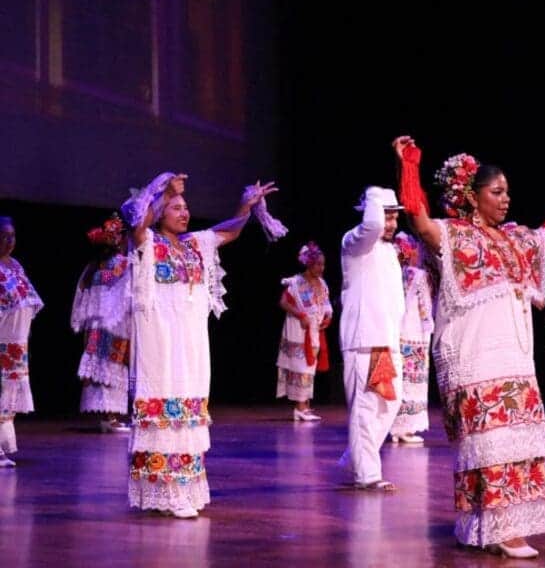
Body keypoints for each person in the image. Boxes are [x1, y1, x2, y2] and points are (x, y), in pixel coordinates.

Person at [394, 134, 545, 558]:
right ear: (471, 195)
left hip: (513, 359)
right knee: (486, 443)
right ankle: (500, 530)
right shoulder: (452, 236)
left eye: (507, 192)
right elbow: (421, 222)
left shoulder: (516, 240)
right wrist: (407, 168)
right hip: (472, 357)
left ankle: (483, 528)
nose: (505, 200)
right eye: (496, 192)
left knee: (513, 442)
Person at [122, 172, 278, 518]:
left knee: (189, 408)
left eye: (186, 207)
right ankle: (164, 492)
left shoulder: (195, 244)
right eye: (175, 208)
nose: (184, 212)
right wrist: (163, 190)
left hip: (191, 342)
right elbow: (136, 227)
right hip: (159, 342)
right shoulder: (147, 242)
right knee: (163, 405)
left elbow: (230, 231)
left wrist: (246, 205)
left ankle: (184, 488)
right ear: (160, 212)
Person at [338, 186, 405, 491]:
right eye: (386, 215)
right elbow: (373, 226)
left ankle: (355, 459)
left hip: (386, 340)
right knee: (366, 407)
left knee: (388, 404)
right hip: (364, 339)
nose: (390, 223)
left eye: (395, 217)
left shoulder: (388, 251)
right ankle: (366, 473)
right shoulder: (354, 243)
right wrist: (374, 196)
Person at [71, 213, 132, 432]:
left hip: (97, 323)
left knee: (104, 367)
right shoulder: (121, 265)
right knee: (111, 367)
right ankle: (110, 417)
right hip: (113, 323)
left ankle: (108, 417)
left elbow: (83, 297)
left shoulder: (95, 267)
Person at [0, 216, 44, 468]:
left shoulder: (15, 266)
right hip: (2, 340)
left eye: (12, 236)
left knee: (9, 396)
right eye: (4, 236)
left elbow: (27, 300)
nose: (9, 241)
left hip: (17, 343)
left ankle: (2, 447)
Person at [277, 242, 332, 421]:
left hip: (314, 330)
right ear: (308, 263)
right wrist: (300, 315)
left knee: (310, 368)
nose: (321, 268)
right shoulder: (296, 282)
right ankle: (299, 407)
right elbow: (283, 302)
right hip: (298, 329)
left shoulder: (322, 283)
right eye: (318, 264)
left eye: (323, 264)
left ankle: (305, 406)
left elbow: (325, 305)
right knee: (301, 366)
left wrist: (327, 317)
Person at [388, 232, 434, 444]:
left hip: (398, 331)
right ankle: (404, 428)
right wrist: (429, 325)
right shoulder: (418, 275)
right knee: (413, 378)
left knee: (401, 377)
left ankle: (395, 426)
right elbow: (424, 307)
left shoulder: (398, 273)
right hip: (415, 332)